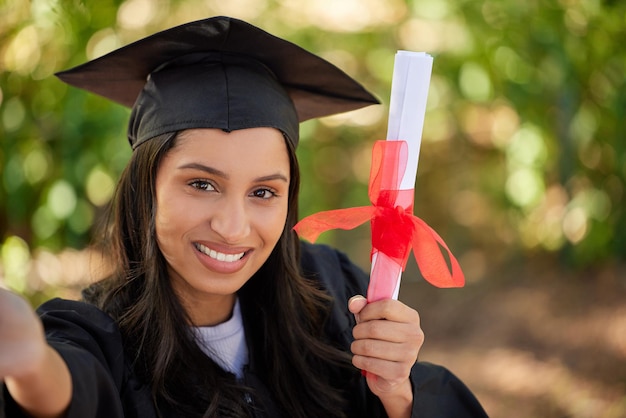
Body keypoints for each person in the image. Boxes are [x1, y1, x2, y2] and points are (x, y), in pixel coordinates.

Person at [0, 16, 487, 418]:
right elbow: (70, 386)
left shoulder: (334, 293)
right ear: (145, 189)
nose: (233, 227)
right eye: (202, 184)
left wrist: (399, 393)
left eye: (263, 192)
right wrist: (28, 362)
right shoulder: (101, 337)